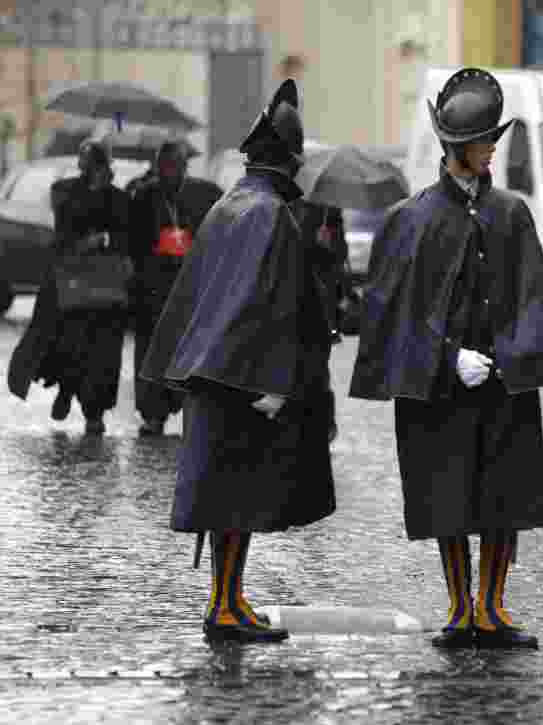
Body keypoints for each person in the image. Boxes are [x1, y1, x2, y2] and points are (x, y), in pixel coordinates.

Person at [350, 67, 543, 650]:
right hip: (440, 388)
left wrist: (506, 358)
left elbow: (536, 296)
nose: (493, 149)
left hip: (503, 384)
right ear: (459, 147)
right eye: (485, 141)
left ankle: (491, 608)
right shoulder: (411, 219)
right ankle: (460, 609)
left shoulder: (512, 214)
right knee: (447, 497)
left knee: (504, 497)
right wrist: (449, 356)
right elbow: (389, 311)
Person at [140, 79, 336, 643]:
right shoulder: (269, 212)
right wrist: (274, 382)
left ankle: (230, 599)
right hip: (243, 382)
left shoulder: (232, 204)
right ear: (289, 161)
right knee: (235, 499)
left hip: (216, 376)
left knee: (229, 498)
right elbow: (263, 303)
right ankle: (224, 607)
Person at [8, 140, 133, 435]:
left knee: (103, 352)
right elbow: (63, 234)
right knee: (70, 344)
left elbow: (126, 235)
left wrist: (116, 249)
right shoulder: (66, 192)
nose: (93, 170)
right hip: (72, 284)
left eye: (98, 164)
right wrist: (82, 243)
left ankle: (95, 411)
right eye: (89, 164)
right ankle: (66, 390)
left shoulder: (118, 198)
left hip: (107, 287)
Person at [130, 139, 223, 436]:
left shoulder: (202, 194)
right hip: (153, 288)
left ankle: (190, 411)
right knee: (151, 352)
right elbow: (132, 241)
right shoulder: (145, 196)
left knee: (189, 352)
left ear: (184, 168)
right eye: (165, 166)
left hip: (188, 286)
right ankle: (152, 414)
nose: (170, 172)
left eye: (176, 166)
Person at [295, 200, 348, 443]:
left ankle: (322, 423)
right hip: (298, 297)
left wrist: (330, 243)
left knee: (318, 364)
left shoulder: (330, 210)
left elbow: (340, 255)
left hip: (322, 302)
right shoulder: (292, 208)